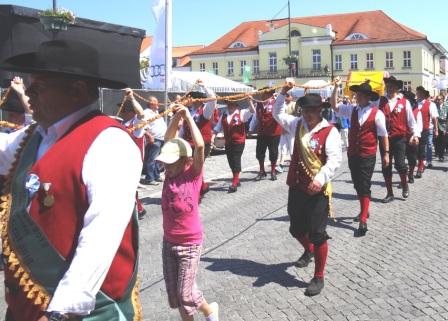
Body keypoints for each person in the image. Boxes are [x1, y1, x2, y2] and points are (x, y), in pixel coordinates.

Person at [0, 40, 142, 320]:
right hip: (25, 306)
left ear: (76, 90)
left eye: (38, 86)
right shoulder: (33, 136)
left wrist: (63, 310)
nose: (28, 93)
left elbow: (102, 233)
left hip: (80, 311)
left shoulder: (109, 141)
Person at [274, 81, 342, 296]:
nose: (309, 114)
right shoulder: (297, 124)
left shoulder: (330, 132)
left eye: (313, 110)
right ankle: (309, 250)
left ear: (320, 111)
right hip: (296, 186)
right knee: (295, 229)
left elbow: (334, 160)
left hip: (317, 190)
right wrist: (282, 92)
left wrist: (320, 179)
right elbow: (278, 113)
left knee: (318, 234)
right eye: (305, 110)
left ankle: (318, 276)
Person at [156, 104, 219, 321]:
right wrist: (177, 115)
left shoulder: (192, 175)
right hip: (169, 241)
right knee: (176, 297)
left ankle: (210, 311)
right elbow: (168, 139)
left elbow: (200, 146)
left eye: (171, 163)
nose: (167, 167)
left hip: (190, 243)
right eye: (165, 164)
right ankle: (206, 312)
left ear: (186, 161)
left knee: (185, 293)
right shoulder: (169, 176)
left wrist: (189, 118)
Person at [330, 81, 389, 236]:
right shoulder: (351, 110)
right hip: (353, 154)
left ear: (368, 97)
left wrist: (386, 154)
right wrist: (336, 88)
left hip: (368, 154)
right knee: (357, 184)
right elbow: (334, 106)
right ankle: (364, 209)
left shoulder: (377, 113)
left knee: (364, 184)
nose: (357, 96)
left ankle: (363, 218)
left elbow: (383, 135)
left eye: (360, 94)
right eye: (356, 94)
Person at [378, 76, 420, 203]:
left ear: (397, 88)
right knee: (386, 166)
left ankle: (405, 185)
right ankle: (389, 193)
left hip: (399, 138)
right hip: (384, 139)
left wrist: (415, 134)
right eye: (388, 86)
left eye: (392, 86)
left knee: (400, 165)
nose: (389, 88)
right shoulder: (380, 101)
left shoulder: (404, 102)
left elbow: (411, 121)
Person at [117, 89, 152, 219]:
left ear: (131, 112)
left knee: (128, 186)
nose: (122, 111)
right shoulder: (120, 123)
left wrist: (131, 98)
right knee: (126, 186)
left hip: (133, 161)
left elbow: (142, 114)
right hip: (122, 160)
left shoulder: (136, 124)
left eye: (125, 110)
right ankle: (138, 208)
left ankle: (138, 209)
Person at [181, 80, 217, 197]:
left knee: (196, 166)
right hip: (189, 144)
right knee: (191, 167)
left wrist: (204, 86)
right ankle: (201, 186)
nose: (193, 100)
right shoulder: (187, 112)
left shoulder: (205, 111)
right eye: (192, 98)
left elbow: (213, 99)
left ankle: (197, 190)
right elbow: (183, 129)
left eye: (196, 98)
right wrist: (178, 141)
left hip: (202, 144)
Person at [213, 98, 255, 192]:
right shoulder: (224, 114)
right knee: (230, 160)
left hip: (238, 141)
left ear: (236, 104)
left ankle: (234, 183)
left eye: (231, 103)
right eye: (228, 103)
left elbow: (252, 110)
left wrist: (250, 102)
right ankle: (236, 178)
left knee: (236, 159)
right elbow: (218, 126)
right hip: (228, 141)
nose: (229, 105)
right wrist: (213, 135)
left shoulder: (241, 113)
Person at [249, 87, 283, 181]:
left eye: (265, 94)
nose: (263, 96)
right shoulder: (259, 104)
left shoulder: (276, 103)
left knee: (273, 153)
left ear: (270, 95)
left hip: (274, 132)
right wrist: (251, 129)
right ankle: (262, 171)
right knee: (260, 153)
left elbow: (281, 114)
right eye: (263, 94)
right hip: (262, 132)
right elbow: (255, 117)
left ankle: (272, 171)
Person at [140, 95, 167, 185]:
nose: (158, 103)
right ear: (150, 104)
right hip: (154, 139)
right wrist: (149, 136)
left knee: (157, 159)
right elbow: (144, 126)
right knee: (151, 159)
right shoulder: (146, 113)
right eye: (155, 102)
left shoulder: (156, 113)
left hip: (160, 139)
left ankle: (156, 175)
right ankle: (150, 178)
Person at [415, 86, 438, 174]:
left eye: (421, 93)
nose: (419, 94)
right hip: (414, 130)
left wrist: (436, 130)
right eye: (418, 93)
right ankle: (419, 163)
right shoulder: (414, 104)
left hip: (425, 129)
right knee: (415, 148)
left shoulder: (430, 104)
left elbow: (434, 118)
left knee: (422, 147)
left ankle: (421, 166)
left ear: (424, 94)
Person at [277, 92, 296, 173]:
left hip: (291, 130)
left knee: (292, 149)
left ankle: (294, 166)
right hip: (283, 129)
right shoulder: (283, 105)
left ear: (291, 97)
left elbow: (297, 115)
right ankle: (281, 165)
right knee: (282, 148)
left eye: (288, 96)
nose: (286, 97)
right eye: (285, 96)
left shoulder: (294, 105)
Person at [435, 94, 448, 161]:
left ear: (443, 100)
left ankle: (441, 156)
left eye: (439, 99)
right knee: (437, 141)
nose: (438, 100)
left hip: (443, 126)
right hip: (436, 125)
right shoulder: (435, 106)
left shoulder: (446, 106)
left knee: (443, 141)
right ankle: (437, 152)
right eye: (437, 99)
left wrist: (446, 129)